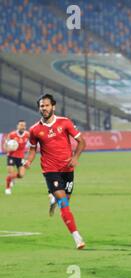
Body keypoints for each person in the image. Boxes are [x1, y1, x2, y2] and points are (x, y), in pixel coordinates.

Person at [25, 94, 86, 250]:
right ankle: (77, 237)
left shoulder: (65, 122)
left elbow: (81, 141)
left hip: (68, 169)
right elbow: (32, 150)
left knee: (65, 201)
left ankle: (53, 199)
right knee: (64, 204)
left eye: (46, 105)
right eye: (41, 106)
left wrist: (75, 157)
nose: (44, 108)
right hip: (50, 170)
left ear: (53, 107)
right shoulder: (34, 129)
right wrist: (27, 162)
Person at [4, 120, 30, 195]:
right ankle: (8, 188)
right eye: (21, 125)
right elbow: (5, 145)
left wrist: (26, 159)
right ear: (17, 126)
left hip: (21, 157)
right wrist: (7, 149)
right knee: (10, 173)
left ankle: (12, 179)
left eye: (24, 125)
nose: (23, 127)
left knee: (21, 175)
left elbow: (30, 147)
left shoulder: (27, 135)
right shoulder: (12, 134)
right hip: (11, 156)